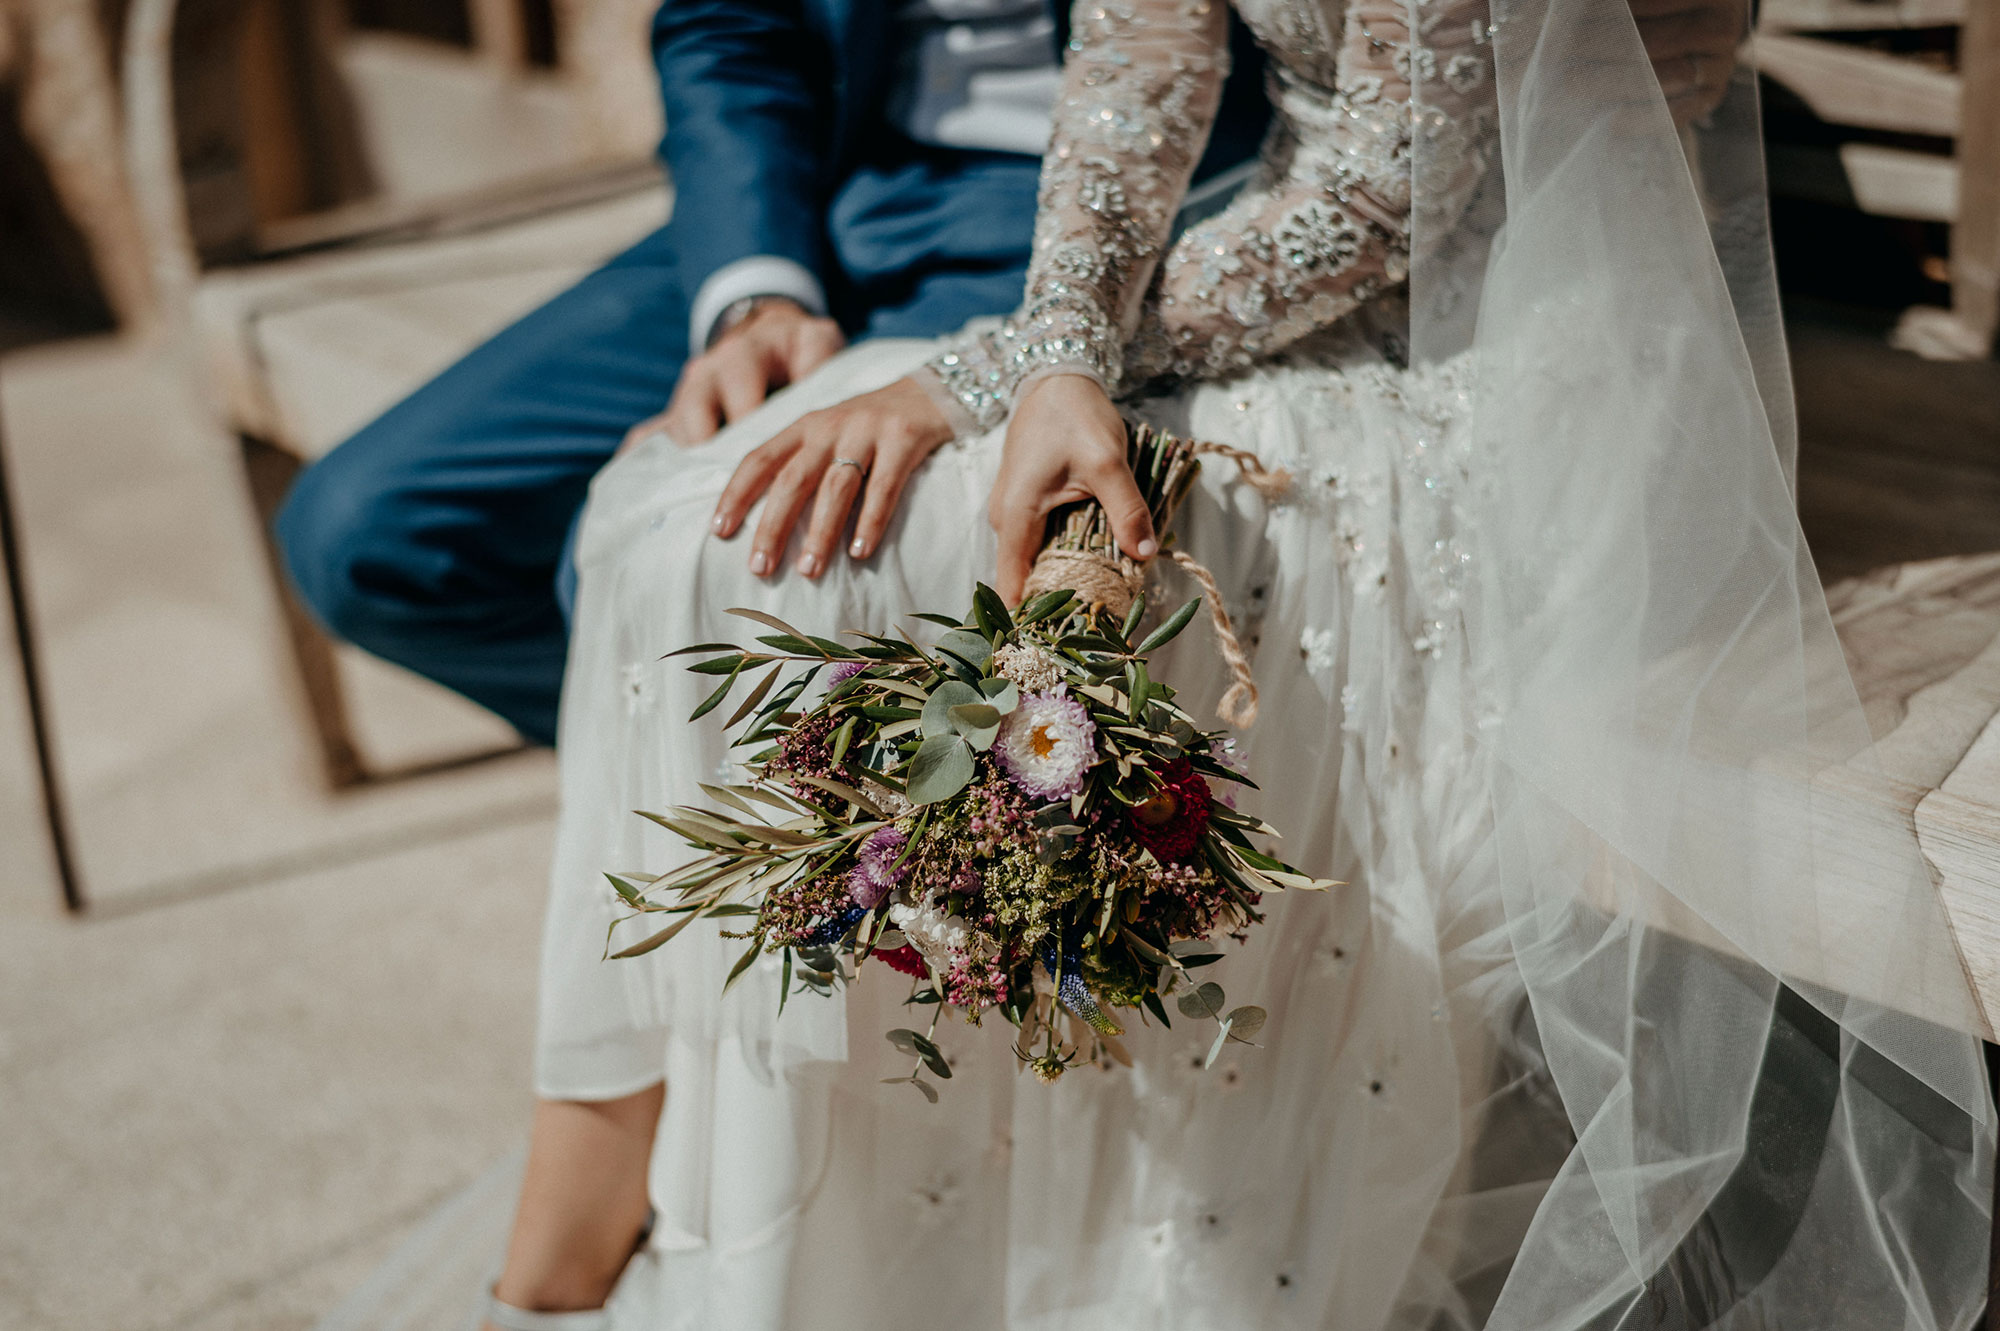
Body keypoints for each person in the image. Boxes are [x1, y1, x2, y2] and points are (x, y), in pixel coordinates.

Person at [515, 0, 1997, 1326]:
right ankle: (652, 1200)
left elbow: (1393, 191)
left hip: (1488, 372)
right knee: (682, 513)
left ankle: (660, 1236)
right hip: (1245, 309)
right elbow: (1139, 56)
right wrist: (1055, 359)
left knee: (799, 540)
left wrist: (987, 372)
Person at [273, 4, 1269, 1327]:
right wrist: (758, 285)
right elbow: (730, 23)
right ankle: (758, 854)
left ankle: (614, 1188)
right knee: (373, 534)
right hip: (856, 192)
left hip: (1143, 211)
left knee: (690, 564)